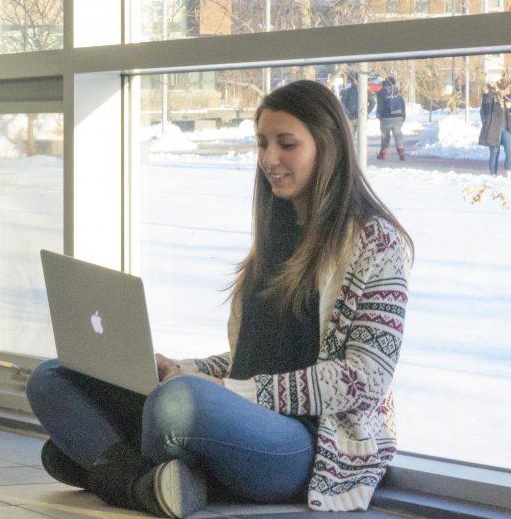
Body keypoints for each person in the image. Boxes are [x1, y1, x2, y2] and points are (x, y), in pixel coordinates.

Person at [26, 80, 413, 517]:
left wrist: (223, 390)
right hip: (239, 415)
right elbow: (251, 358)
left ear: (329, 148)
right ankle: (141, 483)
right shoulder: (275, 234)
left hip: (304, 445)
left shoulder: (376, 244)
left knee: (175, 405)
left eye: (287, 144)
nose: (269, 159)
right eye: (262, 143)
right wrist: (186, 369)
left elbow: (364, 379)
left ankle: (104, 465)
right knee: (52, 377)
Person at [478, 80, 511, 177]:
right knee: (494, 152)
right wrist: (491, 90)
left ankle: (508, 170)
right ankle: (493, 174)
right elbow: (486, 102)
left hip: (506, 128)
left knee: (510, 151)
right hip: (493, 128)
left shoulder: (506, 96)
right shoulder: (489, 94)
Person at [376, 76, 407, 161]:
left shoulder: (381, 92)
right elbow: (402, 104)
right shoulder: (398, 92)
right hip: (398, 117)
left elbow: (380, 105)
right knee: (398, 134)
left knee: (385, 135)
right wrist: (403, 116)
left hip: (386, 117)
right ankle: (400, 150)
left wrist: (379, 114)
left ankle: (383, 153)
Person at [339, 74, 375, 138]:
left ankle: (352, 147)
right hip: (361, 115)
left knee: (350, 137)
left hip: (350, 117)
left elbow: (342, 105)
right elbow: (373, 103)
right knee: (361, 137)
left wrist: (348, 114)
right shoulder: (365, 91)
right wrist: (366, 111)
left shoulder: (347, 91)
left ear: (352, 81)